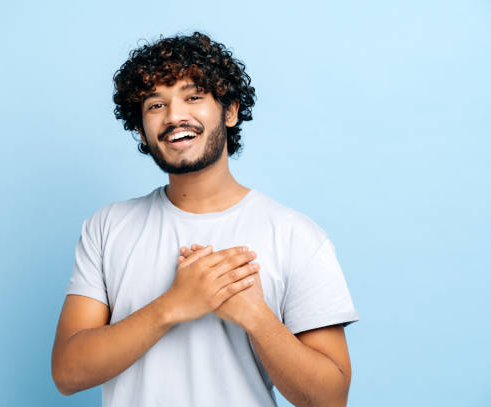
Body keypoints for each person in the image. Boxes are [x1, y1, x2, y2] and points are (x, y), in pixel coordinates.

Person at [51, 31, 359, 407]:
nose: (174, 116)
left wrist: (257, 318)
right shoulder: (107, 227)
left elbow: (330, 399)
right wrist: (174, 305)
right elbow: (68, 373)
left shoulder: (296, 236)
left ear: (229, 111)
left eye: (193, 97)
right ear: (140, 130)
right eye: (155, 105)